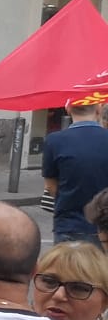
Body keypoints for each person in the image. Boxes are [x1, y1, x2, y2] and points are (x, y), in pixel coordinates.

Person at [42, 97, 108, 244]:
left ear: (68, 109)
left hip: (69, 224)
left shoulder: (54, 141)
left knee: (69, 259)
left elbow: (51, 185)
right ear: (98, 109)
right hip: (104, 224)